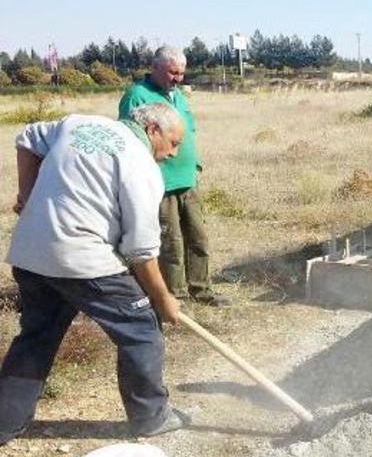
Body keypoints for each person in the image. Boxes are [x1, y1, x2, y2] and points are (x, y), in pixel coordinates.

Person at [0, 103, 188, 445]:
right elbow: (143, 253)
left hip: (30, 252)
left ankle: (4, 422)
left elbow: (27, 138)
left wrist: (27, 195)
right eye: (174, 143)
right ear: (153, 130)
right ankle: (151, 417)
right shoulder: (142, 166)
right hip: (81, 259)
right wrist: (163, 301)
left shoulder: (79, 124)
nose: (173, 154)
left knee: (37, 336)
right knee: (141, 330)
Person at [119, 46, 230, 307]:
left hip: (188, 180)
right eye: (172, 72)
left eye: (181, 73)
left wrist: (196, 166)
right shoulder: (137, 96)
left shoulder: (178, 95)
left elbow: (188, 131)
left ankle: (201, 289)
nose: (178, 78)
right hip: (161, 184)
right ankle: (177, 297)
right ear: (155, 67)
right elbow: (131, 142)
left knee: (198, 238)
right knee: (171, 243)